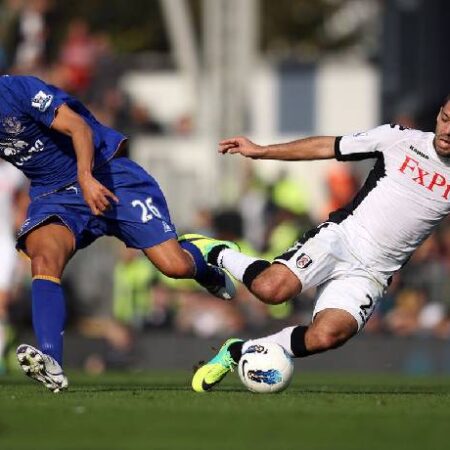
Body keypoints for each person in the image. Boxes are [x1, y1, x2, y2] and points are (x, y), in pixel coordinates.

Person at [189, 94, 450, 392]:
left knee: (327, 336)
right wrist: (262, 151)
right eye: (445, 118)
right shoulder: (398, 140)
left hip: (374, 272)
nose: (448, 129)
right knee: (270, 290)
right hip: (341, 238)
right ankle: (218, 251)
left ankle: (237, 351)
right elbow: (327, 146)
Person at [0, 74, 237, 392]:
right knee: (44, 258)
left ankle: (204, 264)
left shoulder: (17, 90)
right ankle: (51, 361)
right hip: (52, 195)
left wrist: (85, 177)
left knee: (174, 266)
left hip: (106, 176)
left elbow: (79, 128)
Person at [0, 160, 28, 372]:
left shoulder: (12, 172)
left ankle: (1, 355)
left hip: (3, 242)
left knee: (2, 301)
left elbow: (21, 204)